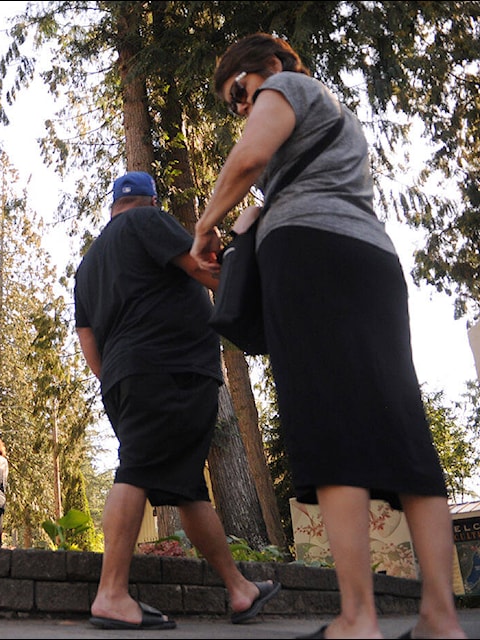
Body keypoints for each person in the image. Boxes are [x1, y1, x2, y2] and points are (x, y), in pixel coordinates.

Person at [190, 33, 466, 640]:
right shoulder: (336, 120)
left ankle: (357, 619)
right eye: (233, 105)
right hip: (371, 260)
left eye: (239, 93)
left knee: (331, 422)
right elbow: (269, 182)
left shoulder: (287, 85)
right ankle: (441, 620)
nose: (241, 109)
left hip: (313, 258)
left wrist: (204, 227)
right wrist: (242, 223)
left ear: (265, 68)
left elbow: (247, 159)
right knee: (401, 427)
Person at [75, 171, 280, 630]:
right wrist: (256, 292)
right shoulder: (148, 223)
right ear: (149, 201)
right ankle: (110, 594)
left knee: (187, 488)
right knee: (136, 470)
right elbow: (202, 268)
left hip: (130, 379)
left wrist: (116, 377)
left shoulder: (89, 263)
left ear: (114, 206)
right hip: (169, 370)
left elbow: (86, 336)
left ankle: (239, 590)